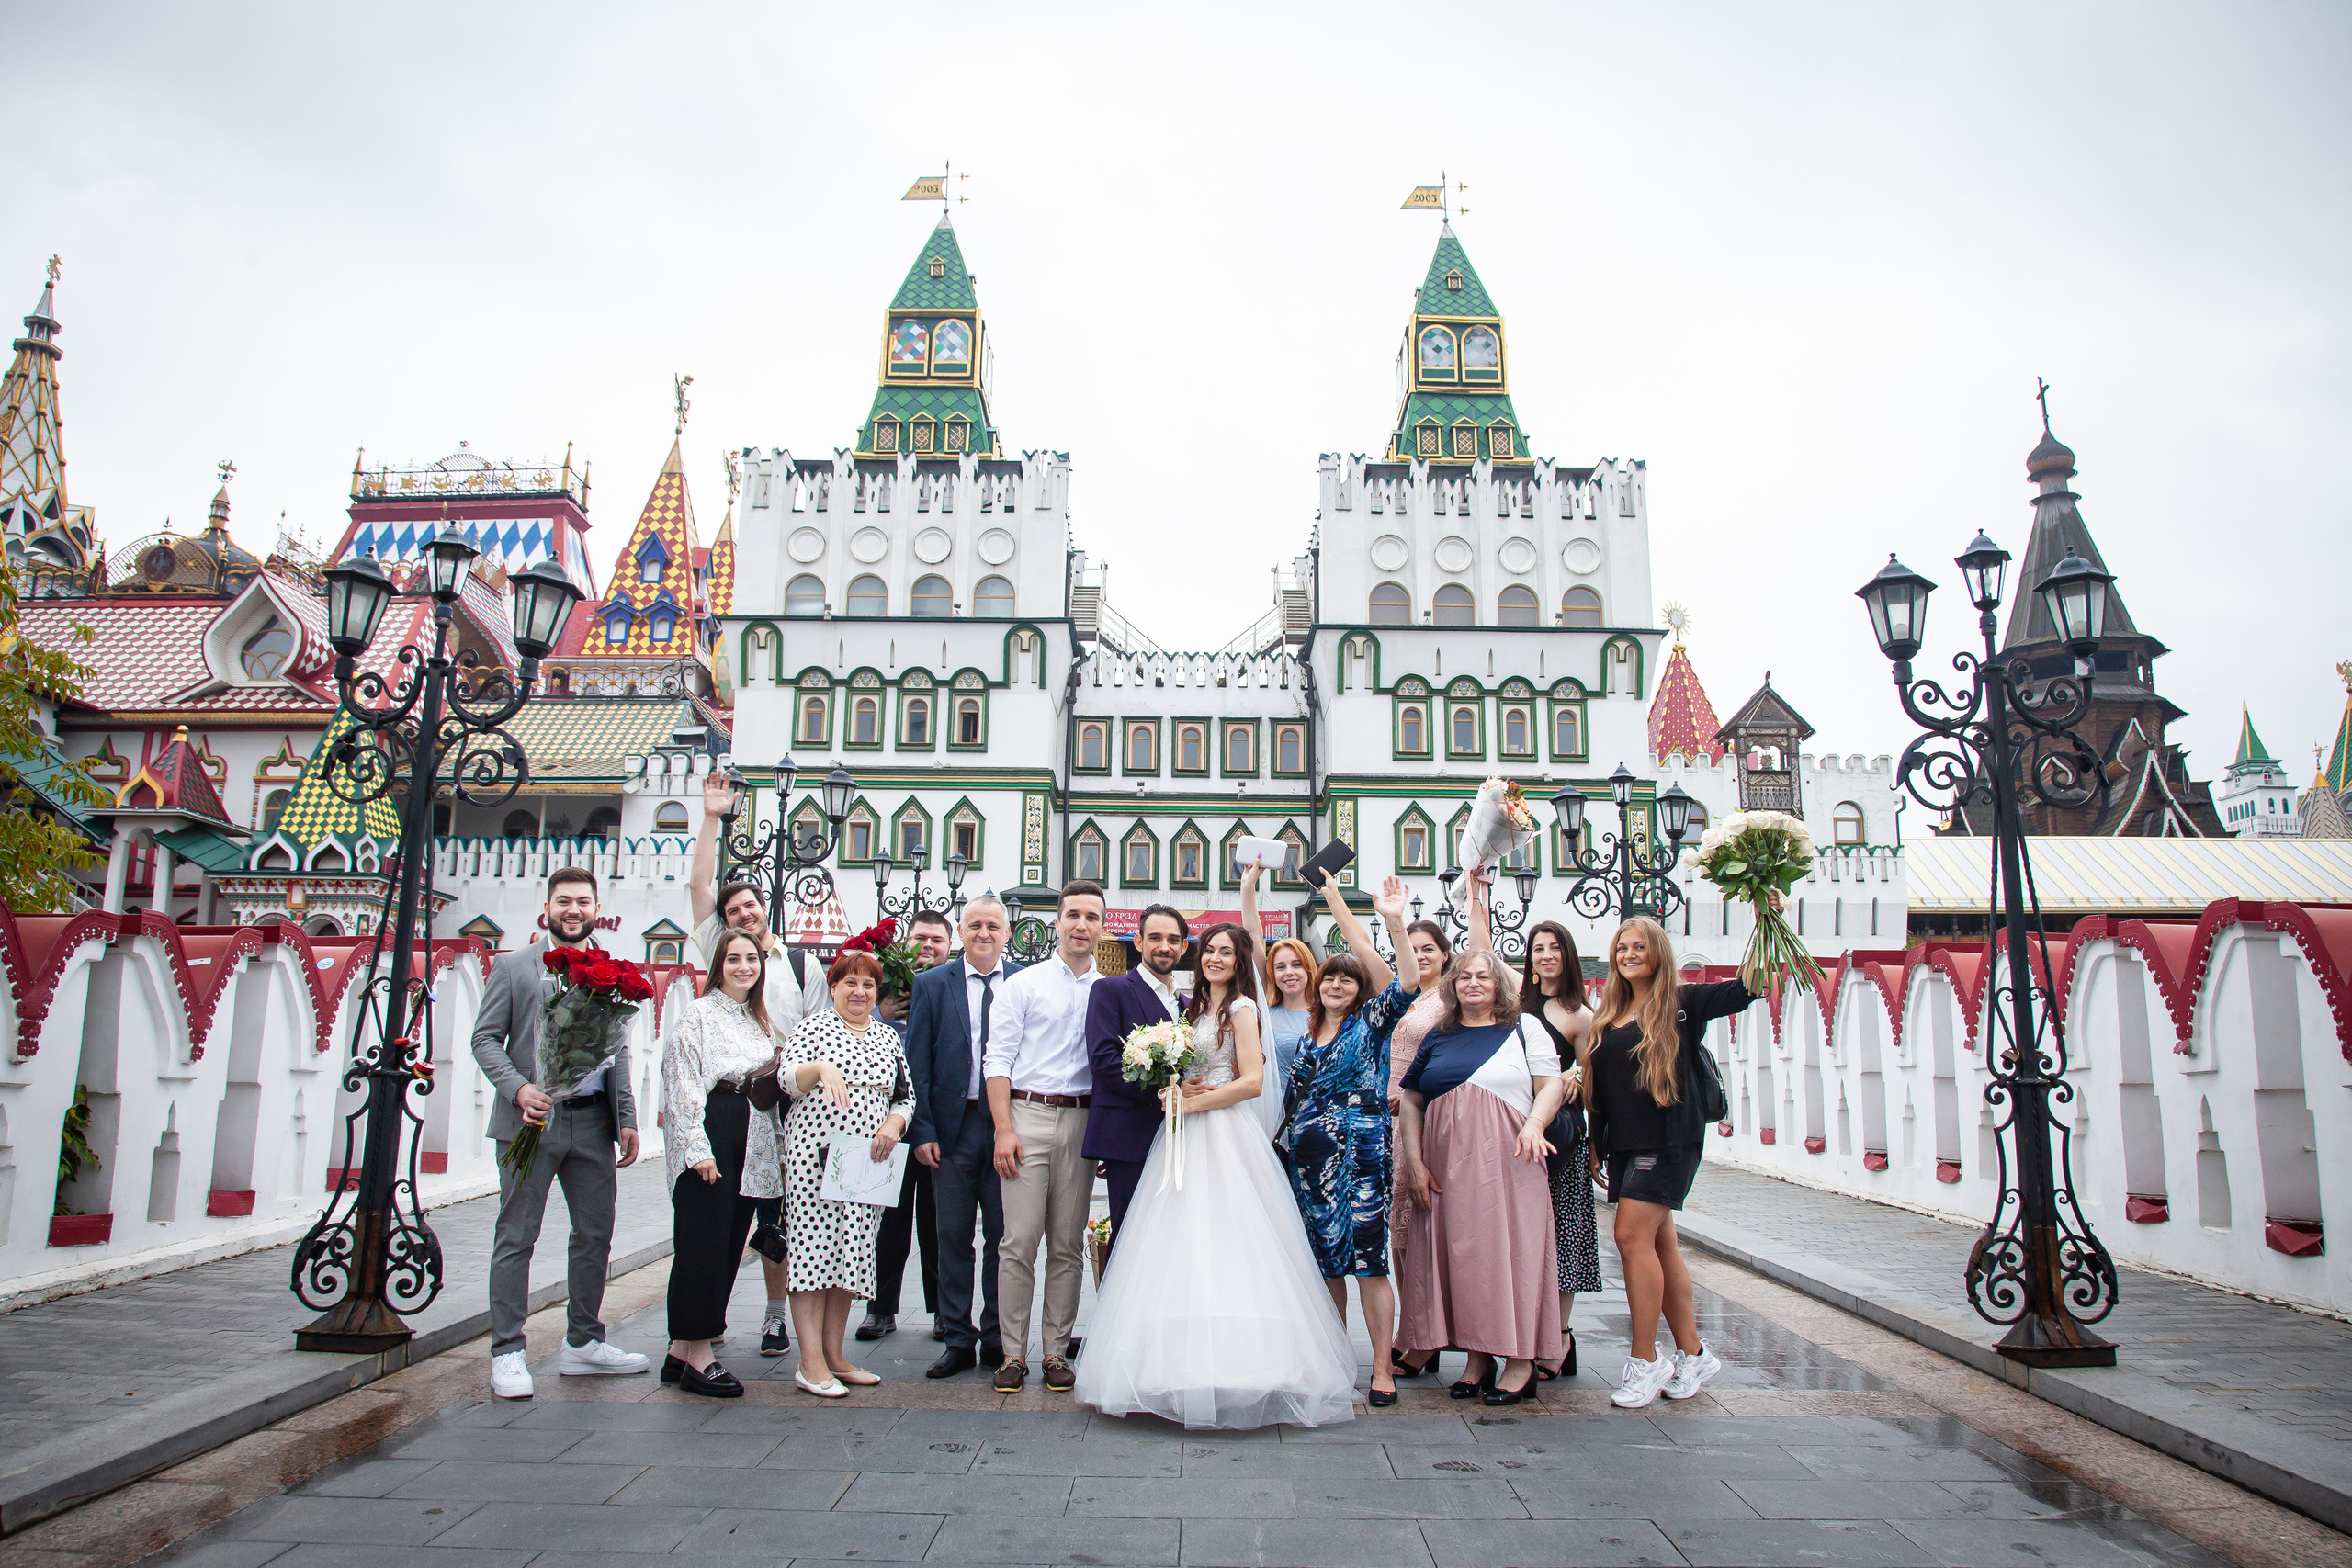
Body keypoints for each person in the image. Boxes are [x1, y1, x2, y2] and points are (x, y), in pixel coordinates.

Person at [1074, 922, 1357, 1430]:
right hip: (1185, 1133)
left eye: (1227, 952)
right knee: (1179, 1244)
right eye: (1210, 951)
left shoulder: (1243, 1010)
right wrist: (1175, 1086)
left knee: (1232, 1242)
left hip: (1225, 1132)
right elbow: (1192, 1069)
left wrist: (1193, 1098)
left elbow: (1251, 1082)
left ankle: (1245, 1361)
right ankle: (1174, 1361)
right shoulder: (1195, 1010)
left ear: (1241, 960)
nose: (1216, 959)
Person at [469, 867, 649, 1400]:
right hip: (532, 1120)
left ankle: (584, 1342)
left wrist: (627, 1117)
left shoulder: (610, 971)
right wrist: (520, 1090)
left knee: (594, 1234)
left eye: (583, 901)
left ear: (598, 908)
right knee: (517, 1236)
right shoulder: (514, 967)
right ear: (546, 908)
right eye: (564, 901)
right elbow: (485, 1039)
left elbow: (616, 1050)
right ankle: (507, 1352)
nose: (574, 910)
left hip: (593, 1124)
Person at [1586, 913, 1768, 1410]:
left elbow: (1751, 984)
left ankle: (1645, 1361)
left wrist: (1767, 916)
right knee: (1661, 1246)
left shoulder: (1683, 1004)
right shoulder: (1609, 1012)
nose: (1628, 955)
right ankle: (1694, 1353)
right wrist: (1596, 1140)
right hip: (1625, 1144)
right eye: (1622, 947)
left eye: (1639, 947)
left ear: (1658, 952)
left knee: (1629, 1238)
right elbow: (1601, 1087)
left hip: (1667, 1142)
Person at [692, 770, 829, 1358]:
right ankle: (709, 1318)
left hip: (789, 1105)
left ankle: (776, 1315)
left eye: (750, 904)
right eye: (733, 909)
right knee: (724, 1217)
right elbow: (699, 887)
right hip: (734, 1107)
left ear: (764, 908)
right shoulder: (720, 953)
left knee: (783, 1219)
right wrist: (711, 817)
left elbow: (823, 1033)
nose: (743, 913)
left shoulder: (800, 966)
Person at [1395, 948, 1567, 1407]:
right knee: (1463, 1259)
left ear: (1499, 985)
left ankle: (1519, 1361)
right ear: (1452, 985)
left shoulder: (1524, 1027)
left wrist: (1535, 1123)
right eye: (1465, 976)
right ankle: (1477, 1359)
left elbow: (1550, 1084)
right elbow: (1411, 1100)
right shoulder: (1438, 1035)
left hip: (1510, 1161)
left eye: (1484, 977)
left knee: (1513, 1257)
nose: (1473, 983)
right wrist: (1415, 1161)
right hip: (1446, 1166)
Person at [1284, 873, 1419, 1406]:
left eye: (1347, 980)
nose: (1336, 985)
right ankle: (1334, 1358)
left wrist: (1393, 923)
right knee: (1323, 1262)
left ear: (1360, 989)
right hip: (1309, 1159)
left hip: (1362, 1154)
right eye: (1329, 980)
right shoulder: (1306, 1037)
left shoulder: (1371, 1023)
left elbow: (1407, 982)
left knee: (1368, 1259)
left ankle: (1382, 1367)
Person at [981, 880, 1106, 1395]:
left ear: (1103, 926)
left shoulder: (1108, 990)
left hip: (1081, 1120)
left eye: (1092, 917)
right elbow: (997, 1061)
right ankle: (1013, 1354)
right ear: (1057, 921)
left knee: (1068, 1244)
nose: (1081, 925)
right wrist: (1004, 1130)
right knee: (1018, 1241)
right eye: (1073, 915)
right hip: (1027, 1116)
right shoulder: (1023, 984)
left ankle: (1056, 1350)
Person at [777, 950, 915, 1398]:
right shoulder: (813, 1028)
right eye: (850, 983)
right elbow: (786, 1080)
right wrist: (817, 1068)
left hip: (866, 1164)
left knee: (849, 1255)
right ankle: (809, 1361)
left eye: (868, 985)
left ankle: (834, 1355)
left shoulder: (887, 1037)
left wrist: (895, 1124)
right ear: (833, 987)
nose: (859, 992)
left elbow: (905, 1096)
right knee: (813, 1254)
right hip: (816, 1159)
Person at [658, 929, 783, 1399]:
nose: (744, 967)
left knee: (729, 1241)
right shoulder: (699, 1014)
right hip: (713, 1126)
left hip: (748, 1133)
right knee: (702, 1243)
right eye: (734, 959)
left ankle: (679, 1352)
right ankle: (698, 1354)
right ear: (719, 965)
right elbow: (683, 1081)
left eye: (751, 959)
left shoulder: (758, 1020)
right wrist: (697, 1148)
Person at [903, 896, 1019, 1379]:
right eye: (975, 925)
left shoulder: (1023, 982)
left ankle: (996, 1337)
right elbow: (916, 1064)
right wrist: (923, 1129)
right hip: (951, 1128)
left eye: (993, 925)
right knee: (951, 1235)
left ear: (1006, 933)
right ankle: (956, 1336)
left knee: (1002, 1235)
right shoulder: (931, 984)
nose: (984, 933)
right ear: (961, 931)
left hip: (1006, 1126)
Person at [860, 907, 953, 1344]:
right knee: (886, 1221)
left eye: (936, 940)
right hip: (887, 1126)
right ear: (905, 943)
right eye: (920, 938)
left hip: (934, 1121)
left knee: (937, 1223)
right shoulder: (880, 987)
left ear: (948, 947)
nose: (928, 946)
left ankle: (941, 1310)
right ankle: (879, 1308)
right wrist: (879, 1013)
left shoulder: (952, 988)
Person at [1516, 917, 1600, 1379]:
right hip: (1519, 1135)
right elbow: (1484, 949)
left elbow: (1592, 1079)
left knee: (1564, 1238)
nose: (1545, 956)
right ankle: (1530, 1333)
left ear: (1567, 956)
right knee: (1527, 1238)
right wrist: (1475, 893)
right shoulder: (1517, 1003)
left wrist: (1576, 1076)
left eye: (1554, 948)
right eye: (1538, 949)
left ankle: (1560, 1337)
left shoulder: (1580, 1015)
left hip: (1560, 1139)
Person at [1080, 904, 1190, 1241]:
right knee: (1131, 1238)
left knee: (1172, 1238)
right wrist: (1168, 1095)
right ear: (1138, 942)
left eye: (1173, 939)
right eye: (1155, 937)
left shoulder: (1186, 1003)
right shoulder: (1110, 991)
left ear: (1184, 947)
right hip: (1128, 1137)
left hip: (1180, 1140)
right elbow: (1103, 1061)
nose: (1164, 946)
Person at [1237, 864, 1312, 1110]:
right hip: (1272, 1113)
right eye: (1280, 967)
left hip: (1316, 1116)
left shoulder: (1328, 1013)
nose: (1289, 973)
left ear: (1309, 970)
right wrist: (1248, 887)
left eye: (1296, 965)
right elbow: (1253, 937)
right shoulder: (1265, 1012)